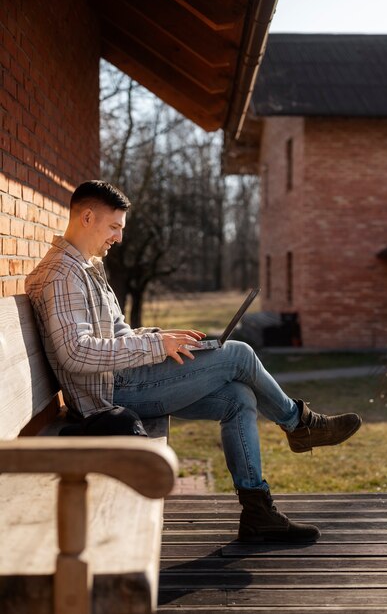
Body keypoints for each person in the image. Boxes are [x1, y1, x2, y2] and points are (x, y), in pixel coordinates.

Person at [26, 180, 362, 544]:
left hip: (124, 380)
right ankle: (300, 423)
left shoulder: (87, 268)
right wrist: (156, 346)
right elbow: (76, 352)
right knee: (240, 354)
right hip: (111, 394)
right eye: (114, 227)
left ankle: (257, 512)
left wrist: (163, 335)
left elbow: (118, 334)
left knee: (239, 398)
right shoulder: (63, 275)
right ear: (87, 217)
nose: (118, 238)